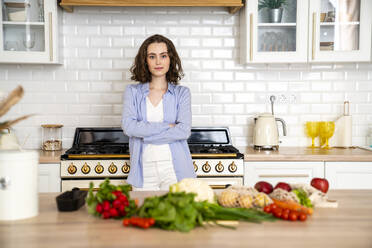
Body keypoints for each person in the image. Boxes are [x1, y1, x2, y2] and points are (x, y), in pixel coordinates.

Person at [121, 34, 196, 190]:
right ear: (145, 61)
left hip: (174, 169)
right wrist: (168, 126)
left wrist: (145, 136)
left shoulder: (182, 93)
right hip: (143, 169)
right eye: (152, 56)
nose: (158, 62)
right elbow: (128, 127)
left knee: (175, 214)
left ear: (170, 59)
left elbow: (183, 131)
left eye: (163, 56)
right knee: (145, 213)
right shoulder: (132, 91)